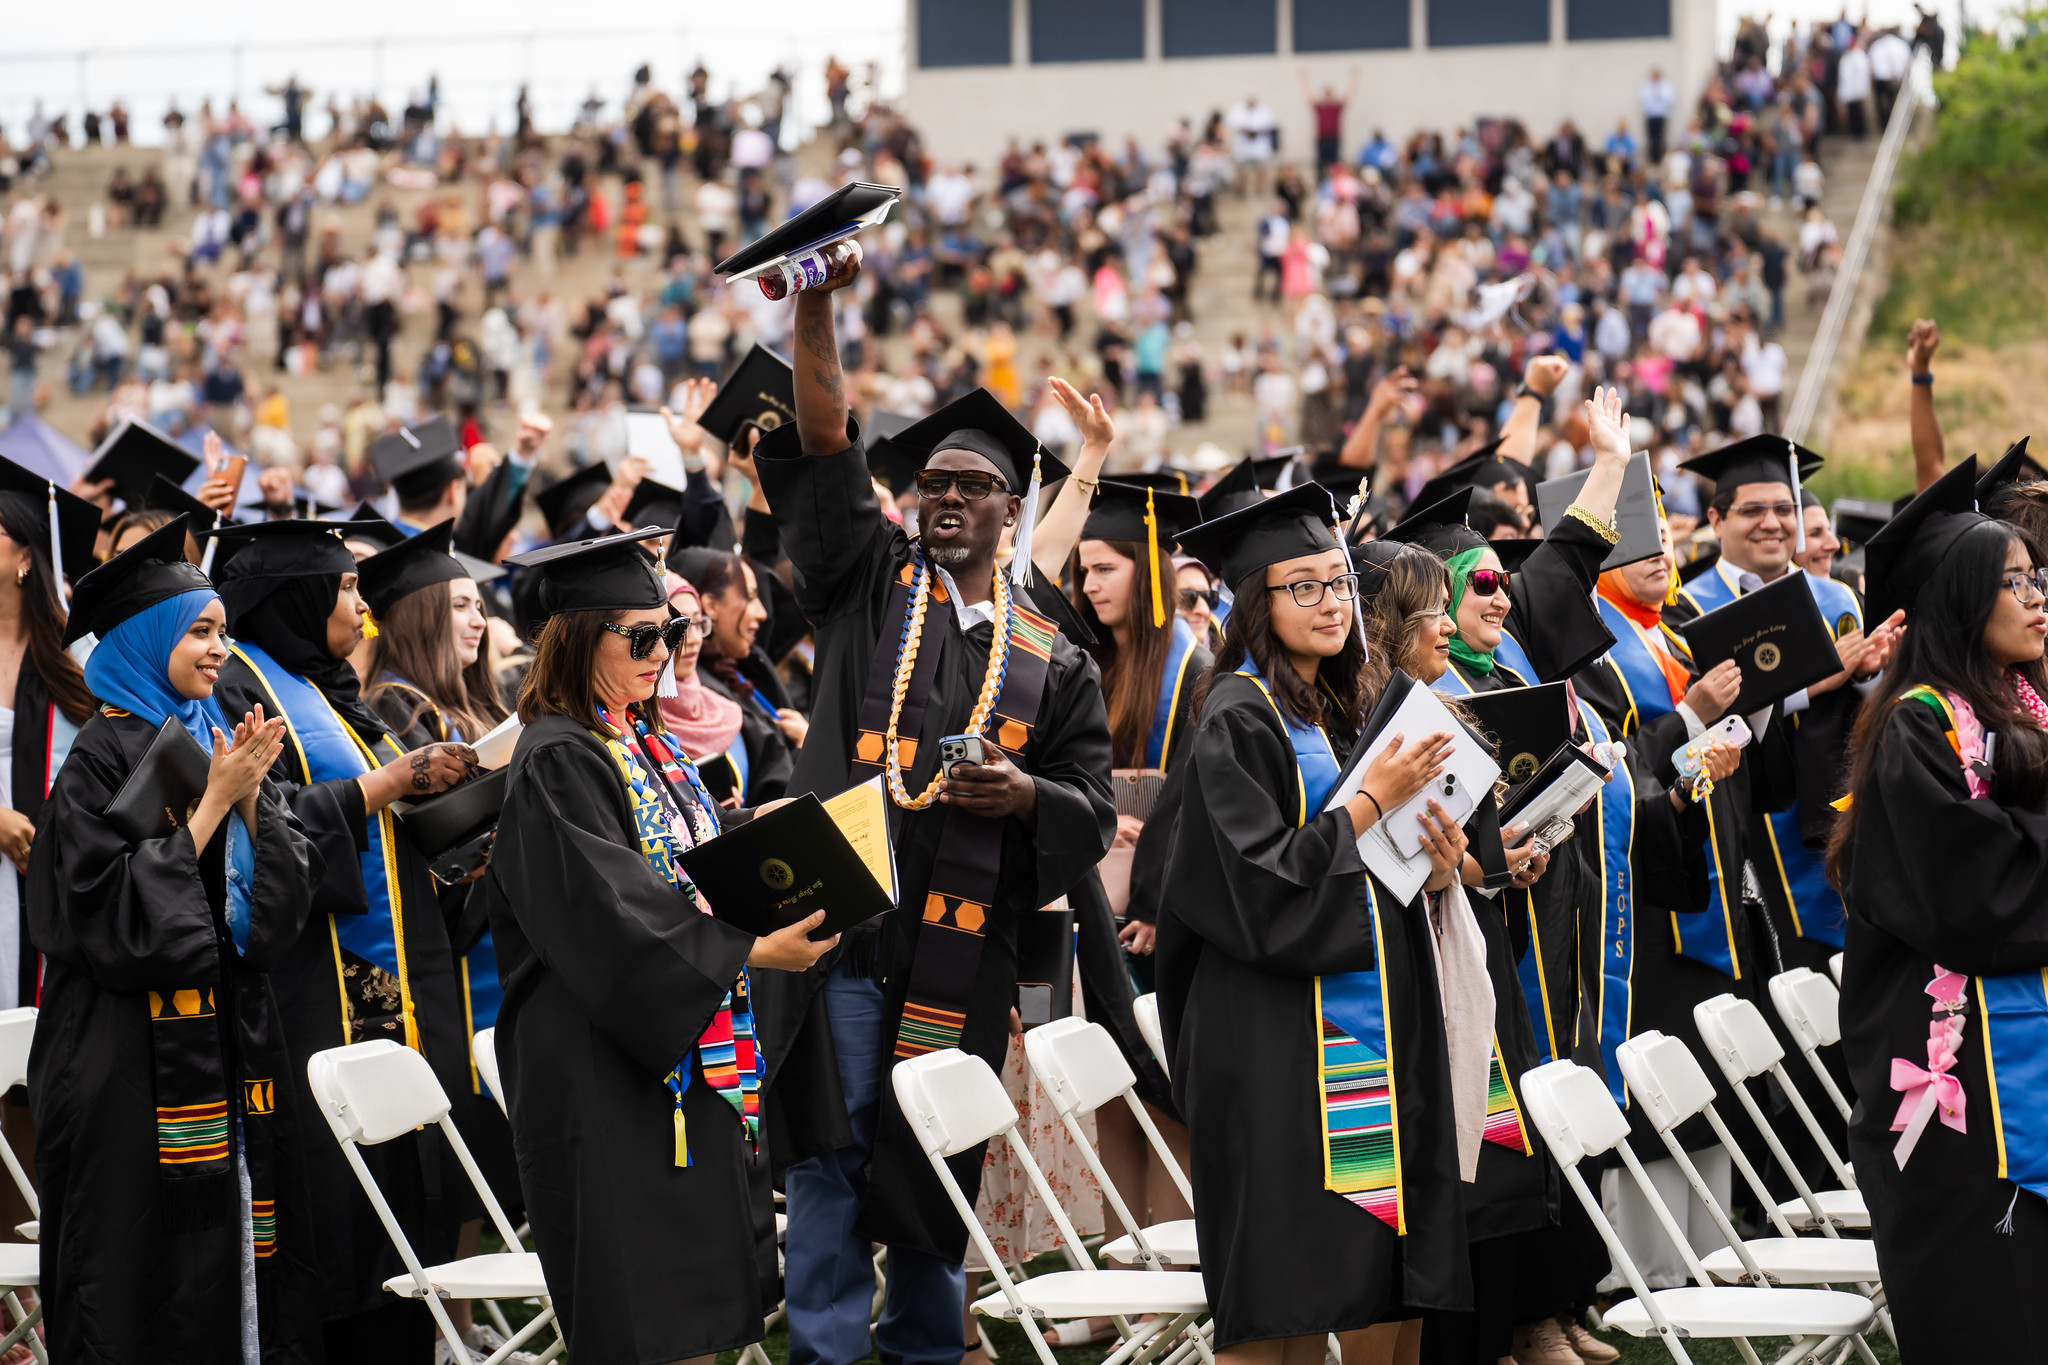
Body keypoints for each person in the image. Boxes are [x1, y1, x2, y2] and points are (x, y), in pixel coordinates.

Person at [756, 247, 1115, 1365]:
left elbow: (1092, 810)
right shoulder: (869, 586)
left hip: (958, 954)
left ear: (1011, 509)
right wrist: (816, 301)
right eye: (934, 486)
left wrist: (1023, 798)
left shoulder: (1049, 657)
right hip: (846, 942)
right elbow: (824, 435)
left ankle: (921, 1351)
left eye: (973, 487)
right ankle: (822, 1350)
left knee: (930, 1164)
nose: (947, 498)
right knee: (829, 1157)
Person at [485, 526, 836, 1363]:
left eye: (671, 632)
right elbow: (613, 906)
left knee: (697, 1317)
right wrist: (750, 951)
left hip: (668, 1060)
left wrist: (755, 827)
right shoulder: (556, 757)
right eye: (640, 636)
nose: (664, 652)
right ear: (577, 638)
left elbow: (677, 858)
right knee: (649, 1322)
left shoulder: (639, 741)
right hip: (606, 1072)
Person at [1160, 483, 1471, 1365]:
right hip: (1274, 1046)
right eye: (1305, 586)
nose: (1332, 601)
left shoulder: (1332, 712)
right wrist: (1373, 803)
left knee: (1372, 1269)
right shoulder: (1235, 715)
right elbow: (1259, 884)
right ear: (1258, 600)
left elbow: (1363, 871)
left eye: (1339, 582)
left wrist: (1434, 861)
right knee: (1284, 1287)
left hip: (1358, 1032)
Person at [29, 516, 321, 1363]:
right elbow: (102, 917)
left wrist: (255, 796)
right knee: (142, 1280)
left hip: (223, 1043)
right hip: (123, 1063)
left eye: (225, 631)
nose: (220, 649)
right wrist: (209, 807)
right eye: (200, 631)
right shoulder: (95, 758)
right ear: (146, 637)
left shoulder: (206, 737)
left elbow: (271, 910)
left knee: (230, 1264)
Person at [206, 518, 479, 1362]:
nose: (361, 604)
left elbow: (382, 818)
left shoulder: (320, 686)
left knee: (399, 1200)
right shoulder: (246, 686)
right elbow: (267, 823)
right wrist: (390, 780)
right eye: (347, 586)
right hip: (312, 986)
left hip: (385, 982)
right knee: (338, 1204)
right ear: (296, 596)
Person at [1828, 455, 2048, 1359]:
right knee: (1987, 1306)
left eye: (2038, 577)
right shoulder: (1919, 723)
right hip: (1959, 1093)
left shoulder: (2018, 706)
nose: (2039, 597)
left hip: (2020, 1065)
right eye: (2014, 581)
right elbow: (1973, 890)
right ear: (1960, 598)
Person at [353, 521, 524, 1362]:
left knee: (487, 1170)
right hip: (457, 969)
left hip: (501, 956)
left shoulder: (485, 705)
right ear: (417, 613)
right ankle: (448, 1335)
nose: (478, 620)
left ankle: (465, 1328)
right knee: (460, 1167)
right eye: (458, 604)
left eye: (481, 604)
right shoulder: (394, 707)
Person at [667, 548, 796, 806]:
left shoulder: (724, 705)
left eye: (696, 624)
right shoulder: (635, 725)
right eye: (678, 627)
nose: (693, 639)